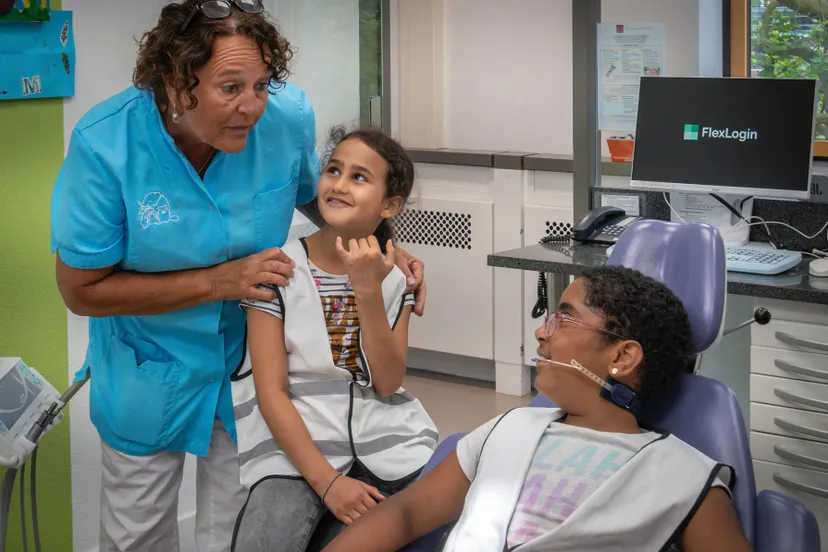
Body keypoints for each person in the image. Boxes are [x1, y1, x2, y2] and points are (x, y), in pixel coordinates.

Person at [49, 2, 425, 551]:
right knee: (137, 536)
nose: (251, 107)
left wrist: (386, 248)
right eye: (230, 88)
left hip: (249, 366)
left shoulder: (286, 118)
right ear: (176, 83)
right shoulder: (106, 144)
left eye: (262, 84)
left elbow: (323, 200)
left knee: (232, 532)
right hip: (150, 367)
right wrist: (218, 282)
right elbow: (80, 290)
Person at [322, 266, 755, 552]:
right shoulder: (509, 427)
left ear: (622, 357)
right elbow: (405, 513)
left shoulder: (684, 475)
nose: (541, 333)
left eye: (563, 320)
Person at [230, 128, 438, 552]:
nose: (339, 184)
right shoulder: (277, 272)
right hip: (295, 451)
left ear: (389, 205)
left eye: (359, 177)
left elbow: (387, 382)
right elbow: (271, 394)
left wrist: (368, 289)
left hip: (386, 445)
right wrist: (328, 483)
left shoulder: (396, 278)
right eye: (333, 170)